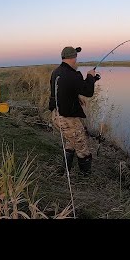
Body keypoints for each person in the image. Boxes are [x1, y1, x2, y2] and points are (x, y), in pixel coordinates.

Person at [49, 46, 100, 177]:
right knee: (82, 146)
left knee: (70, 142)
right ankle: (86, 177)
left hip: (56, 115)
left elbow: (64, 90)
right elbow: (88, 92)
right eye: (76, 57)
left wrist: (77, 96)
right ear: (73, 58)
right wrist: (90, 76)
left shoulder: (56, 72)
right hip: (67, 119)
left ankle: (65, 170)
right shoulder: (73, 75)